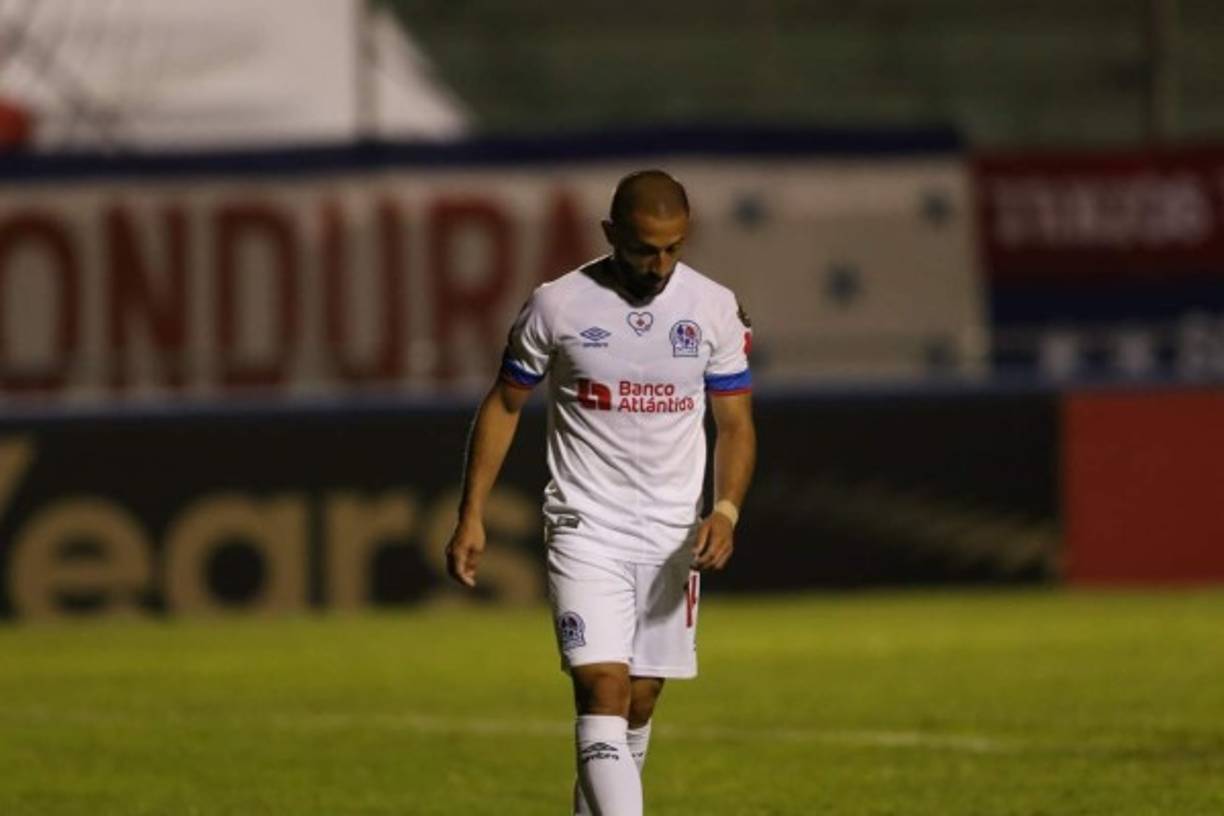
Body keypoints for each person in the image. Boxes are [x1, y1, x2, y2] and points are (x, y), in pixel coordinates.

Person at [445, 169, 756, 815]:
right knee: (603, 689)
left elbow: (735, 424)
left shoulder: (714, 308)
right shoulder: (558, 305)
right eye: (646, 248)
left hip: (674, 535)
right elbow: (505, 404)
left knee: (640, 700)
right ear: (611, 233)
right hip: (585, 525)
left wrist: (725, 510)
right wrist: (471, 511)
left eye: (675, 247)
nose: (661, 263)